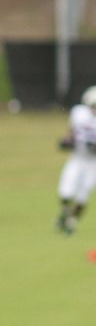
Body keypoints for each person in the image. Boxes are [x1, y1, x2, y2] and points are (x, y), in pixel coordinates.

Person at [56, 86, 96, 235]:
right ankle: (65, 212)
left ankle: (72, 222)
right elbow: (71, 132)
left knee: (82, 196)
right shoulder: (78, 113)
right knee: (65, 190)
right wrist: (68, 141)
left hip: (93, 163)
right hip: (77, 158)